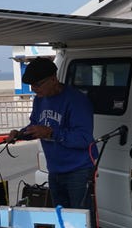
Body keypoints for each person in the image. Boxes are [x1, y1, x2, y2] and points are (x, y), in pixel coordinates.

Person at [7, 58, 97, 209]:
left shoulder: (76, 101)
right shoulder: (39, 100)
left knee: (81, 221)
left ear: (54, 79)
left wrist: (51, 133)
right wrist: (21, 134)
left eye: (37, 84)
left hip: (78, 171)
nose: (33, 89)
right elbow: (35, 126)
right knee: (60, 217)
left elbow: (83, 139)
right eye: (30, 85)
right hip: (55, 171)